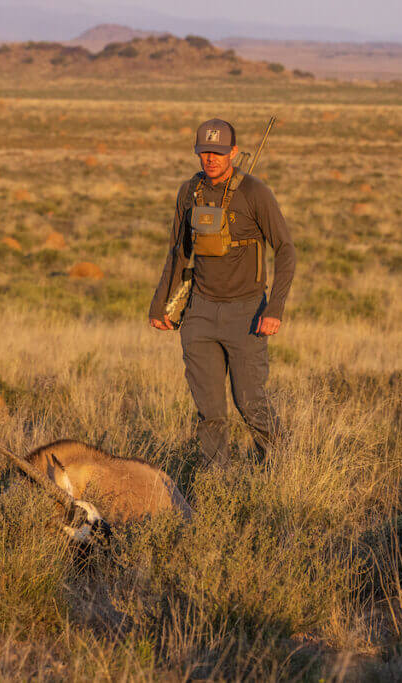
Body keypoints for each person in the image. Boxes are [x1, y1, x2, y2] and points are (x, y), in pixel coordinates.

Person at [148, 118, 295, 468]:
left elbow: (286, 250)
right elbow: (178, 251)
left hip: (246, 314)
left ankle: (284, 470)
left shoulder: (255, 192)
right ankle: (218, 484)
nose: (210, 158)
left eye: (217, 151)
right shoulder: (189, 192)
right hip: (199, 313)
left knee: (250, 403)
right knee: (209, 411)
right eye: (203, 152)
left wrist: (274, 309)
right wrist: (160, 306)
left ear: (233, 151)